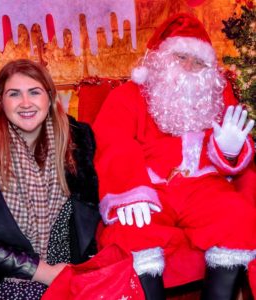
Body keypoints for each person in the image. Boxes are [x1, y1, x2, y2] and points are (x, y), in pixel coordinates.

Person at [93, 13, 256, 299]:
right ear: (162, 59)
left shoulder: (218, 94)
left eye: (199, 62)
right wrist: (131, 190)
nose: (190, 67)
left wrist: (229, 151)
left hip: (205, 187)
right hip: (151, 188)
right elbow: (113, 141)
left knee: (239, 217)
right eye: (181, 57)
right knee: (134, 229)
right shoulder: (129, 95)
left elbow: (239, 144)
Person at [0, 59, 100, 299]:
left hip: (64, 274)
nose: (25, 103)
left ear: (50, 98)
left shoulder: (77, 144)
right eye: (14, 94)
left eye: (34, 92)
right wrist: (40, 271)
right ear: (1, 101)